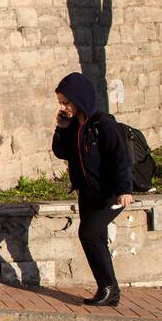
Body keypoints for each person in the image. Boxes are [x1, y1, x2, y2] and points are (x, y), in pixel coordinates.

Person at [52, 72, 133, 307]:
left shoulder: (103, 124)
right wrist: (61, 128)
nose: (64, 107)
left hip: (111, 193)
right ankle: (108, 291)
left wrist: (124, 189)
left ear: (79, 98)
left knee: (88, 234)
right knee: (95, 237)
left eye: (67, 102)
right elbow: (61, 153)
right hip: (87, 193)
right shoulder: (74, 126)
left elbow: (121, 158)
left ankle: (109, 288)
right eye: (61, 103)